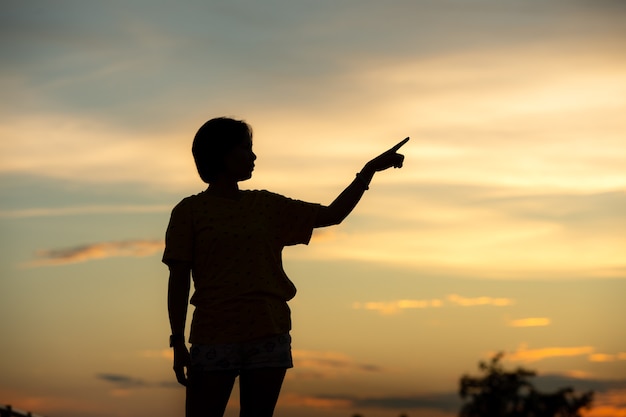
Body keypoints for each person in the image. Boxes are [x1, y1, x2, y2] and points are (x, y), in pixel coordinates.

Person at [163, 117, 408, 417]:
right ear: (222, 153)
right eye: (245, 148)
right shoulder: (189, 212)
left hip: (269, 332)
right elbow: (178, 280)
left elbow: (332, 214)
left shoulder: (265, 206)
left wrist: (368, 171)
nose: (253, 156)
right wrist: (177, 342)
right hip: (214, 334)